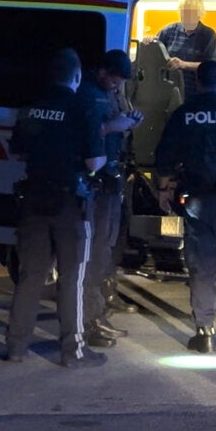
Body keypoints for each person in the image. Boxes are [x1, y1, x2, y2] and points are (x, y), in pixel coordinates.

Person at [5, 47, 108, 368]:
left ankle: (16, 348)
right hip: (68, 203)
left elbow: (18, 152)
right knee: (71, 278)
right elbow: (94, 159)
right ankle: (72, 351)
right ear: (77, 77)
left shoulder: (32, 106)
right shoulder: (82, 106)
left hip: (33, 200)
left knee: (30, 276)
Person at [153, 60, 216, 353]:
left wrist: (163, 189)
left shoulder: (184, 114)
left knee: (201, 267)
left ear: (197, 83)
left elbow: (164, 158)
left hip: (197, 199)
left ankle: (204, 333)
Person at [77, 49, 145, 348]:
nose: (117, 86)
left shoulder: (110, 93)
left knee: (106, 250)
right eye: (115, 80)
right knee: (95, 254)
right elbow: (87, 134)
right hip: (97, 184)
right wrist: (111, 126)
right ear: (102, 71)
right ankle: (90, 322)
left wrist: (129, 122)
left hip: (111, 179)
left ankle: (98, 314)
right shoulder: (88, 94)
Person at [157, 0, 216, 100]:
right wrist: (148, 41)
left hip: (196, 94)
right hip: (169, 93)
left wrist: (184, 64)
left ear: (199, 14)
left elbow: (211, 66)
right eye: (183, 12)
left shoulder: (208, 35)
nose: (186, 16)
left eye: (190, 13)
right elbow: (154, 53)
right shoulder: (168, 31)